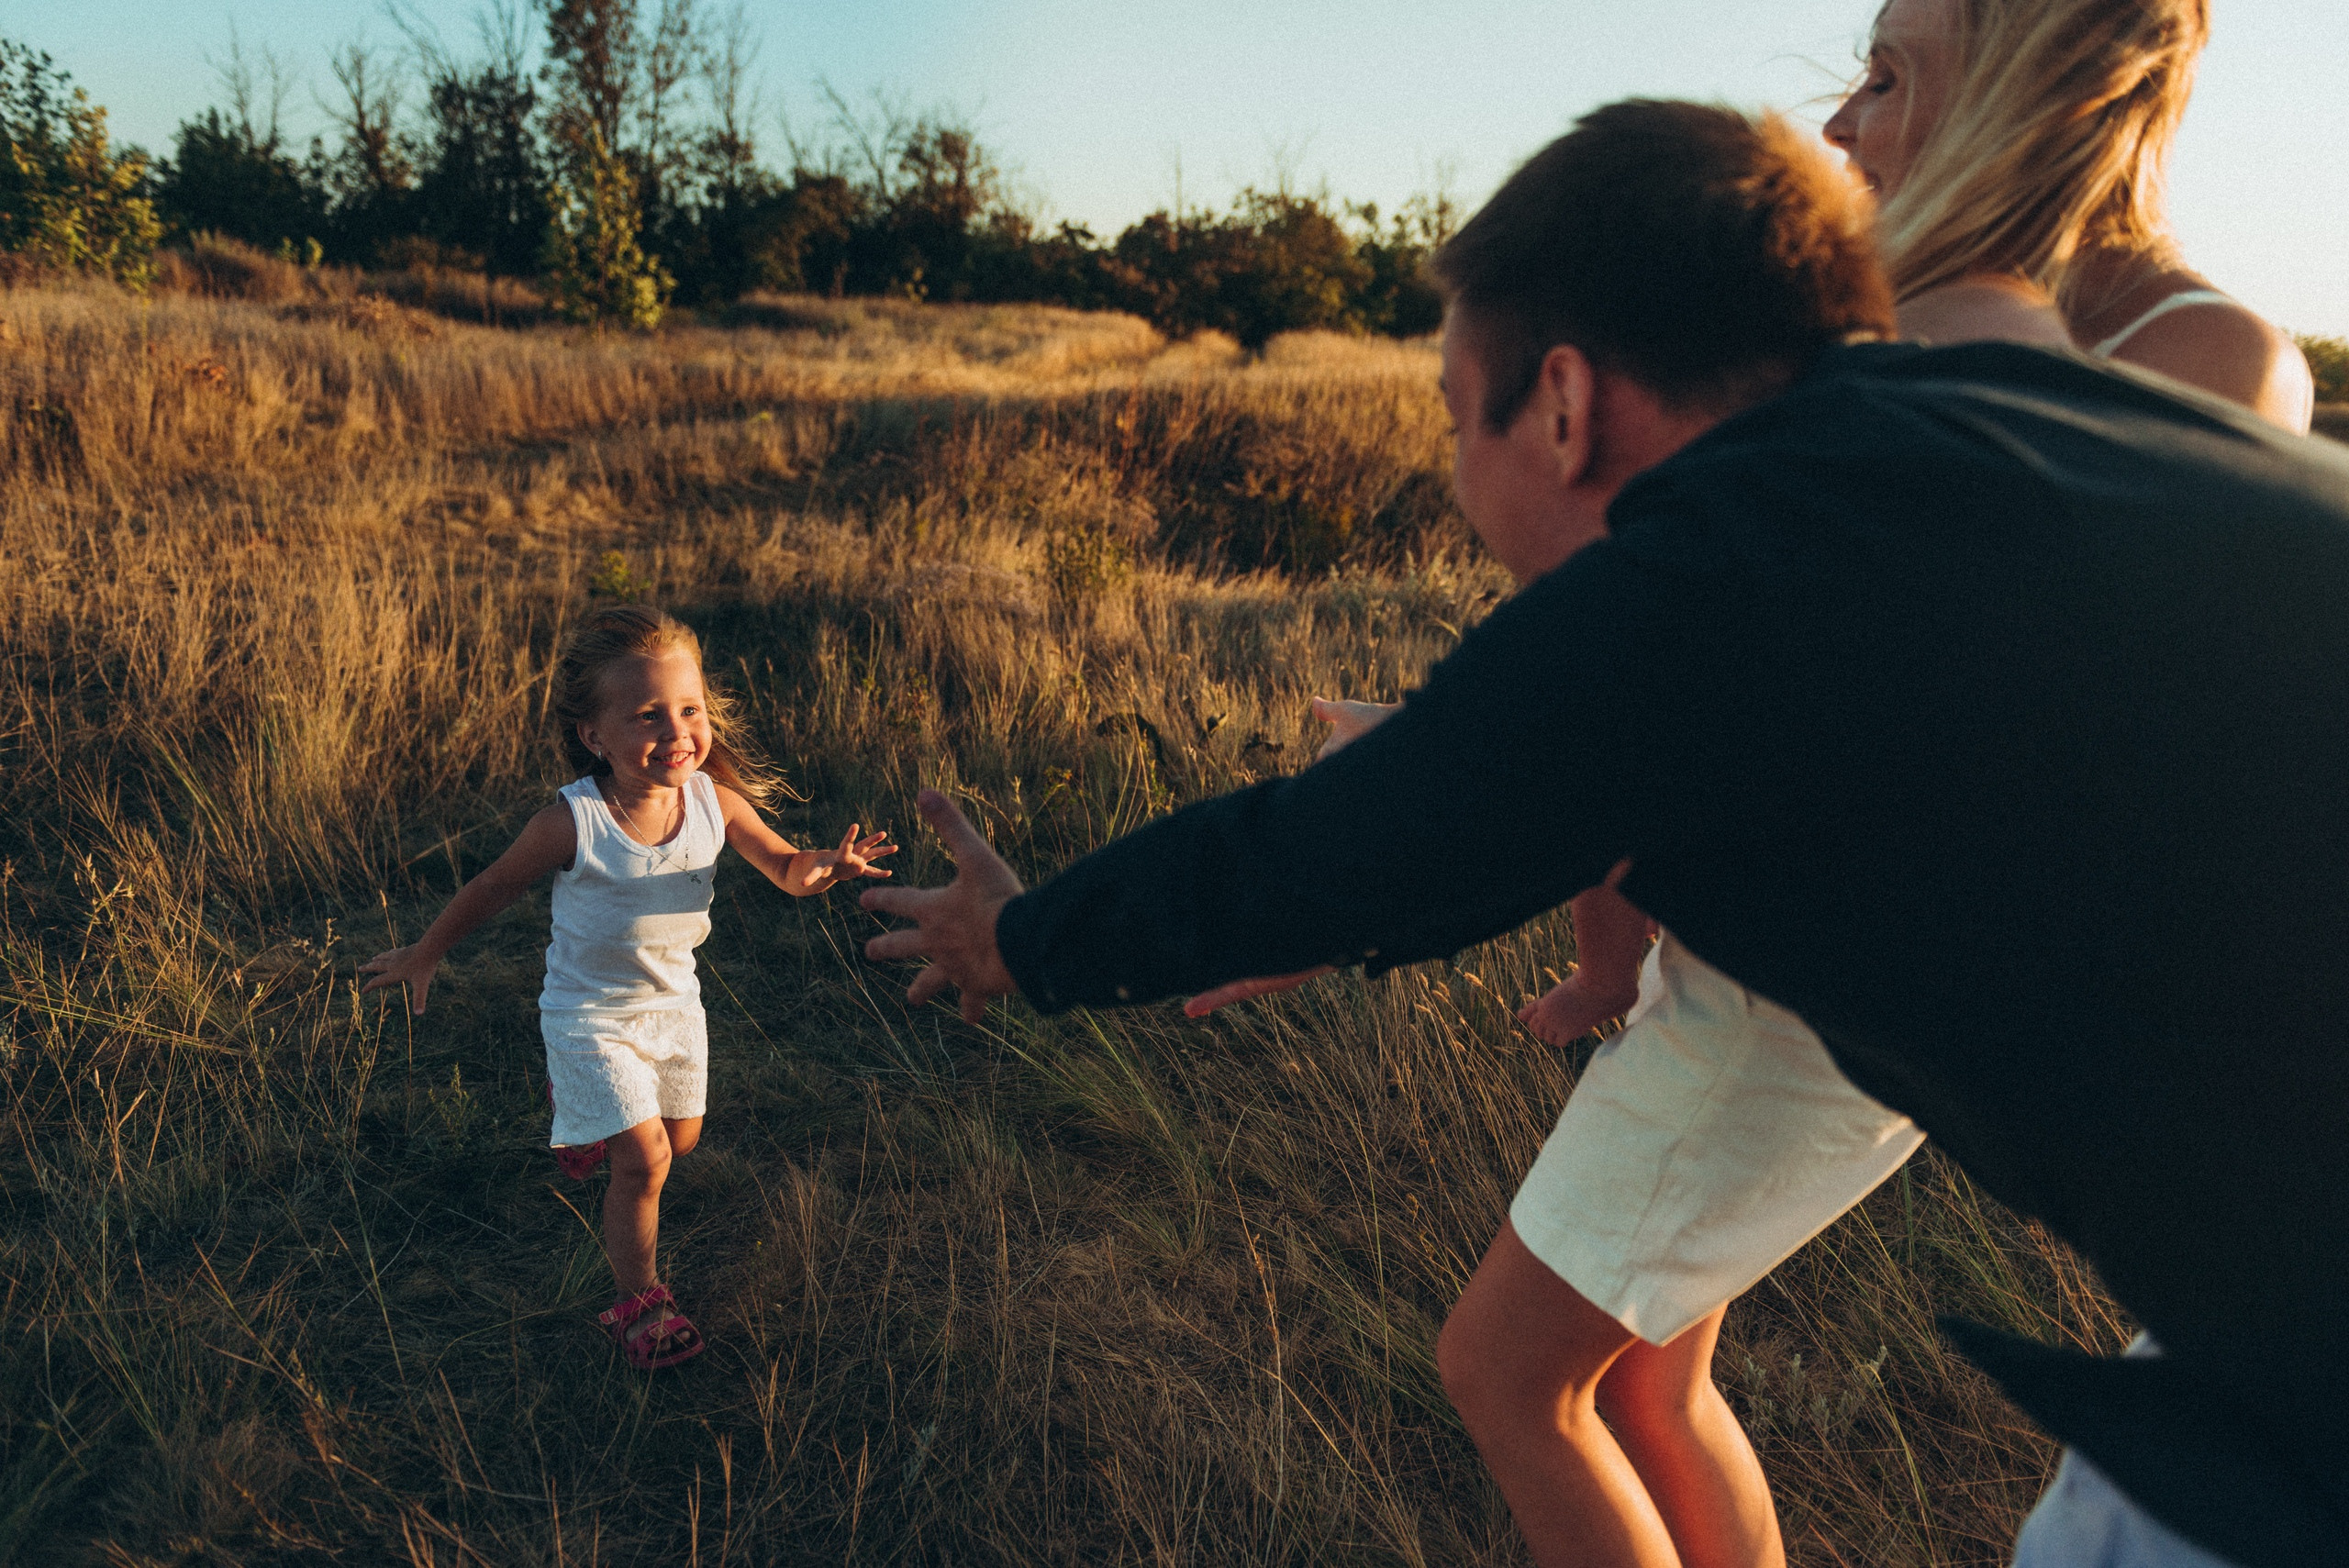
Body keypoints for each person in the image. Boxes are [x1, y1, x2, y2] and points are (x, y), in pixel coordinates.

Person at [859, 97, 2349, 1568]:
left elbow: (1323, 852)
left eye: (1460, 414)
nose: (1459, 468)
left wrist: (1016, 934)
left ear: (1564, 403)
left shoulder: (1716, 571)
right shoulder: (1988, 425)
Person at [360, 605, 896, 1369]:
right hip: (587, 1014)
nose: (677, 732)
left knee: (681, 1141)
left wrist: (824, 867)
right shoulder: (574, 821)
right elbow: (492, 885)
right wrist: (427, 950)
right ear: (594, 736)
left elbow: (785, 867)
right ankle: (638, 1299)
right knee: (644, 1161)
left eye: (689, 710)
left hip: (675, 1007)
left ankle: (592, 1118)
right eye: (648, 716)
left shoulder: (715, 802)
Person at [1827, 0, 2312, 429]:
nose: (1836, 127)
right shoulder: (1844, 316)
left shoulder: (2213, 354)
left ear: (2033, 100)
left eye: (1886, 82)